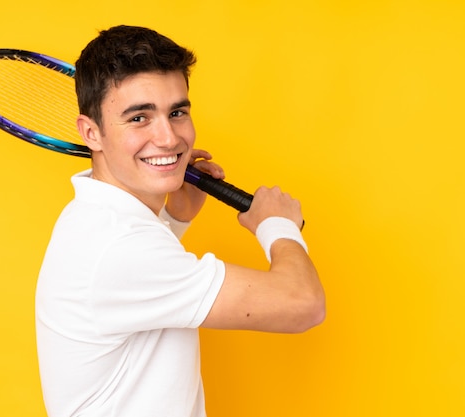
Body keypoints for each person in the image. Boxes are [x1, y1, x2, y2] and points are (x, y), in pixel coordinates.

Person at [35, 25, 325, 417]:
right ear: (91, 132)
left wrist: (174, 218)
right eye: (139, 118)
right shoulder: (119, 246)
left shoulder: (95, 221)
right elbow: (303, 304)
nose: (169, 138)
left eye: (177, 112)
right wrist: (278, 225)